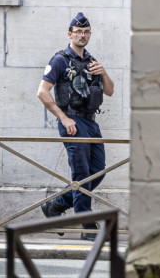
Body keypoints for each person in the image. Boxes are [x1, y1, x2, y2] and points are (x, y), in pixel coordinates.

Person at [36, 12, 114, 241]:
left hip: (90, 121)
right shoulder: (59, 60)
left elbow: (109, 91)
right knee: (81, 173)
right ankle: (87, 225)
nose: (82, 35)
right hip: (72, 121)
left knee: (98, 171)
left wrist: (104, 73)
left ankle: (57, 206)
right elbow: (42, 92)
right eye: (78, 32)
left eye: (86, 32)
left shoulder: (92, 61)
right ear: (69, 34)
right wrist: (64, 118)